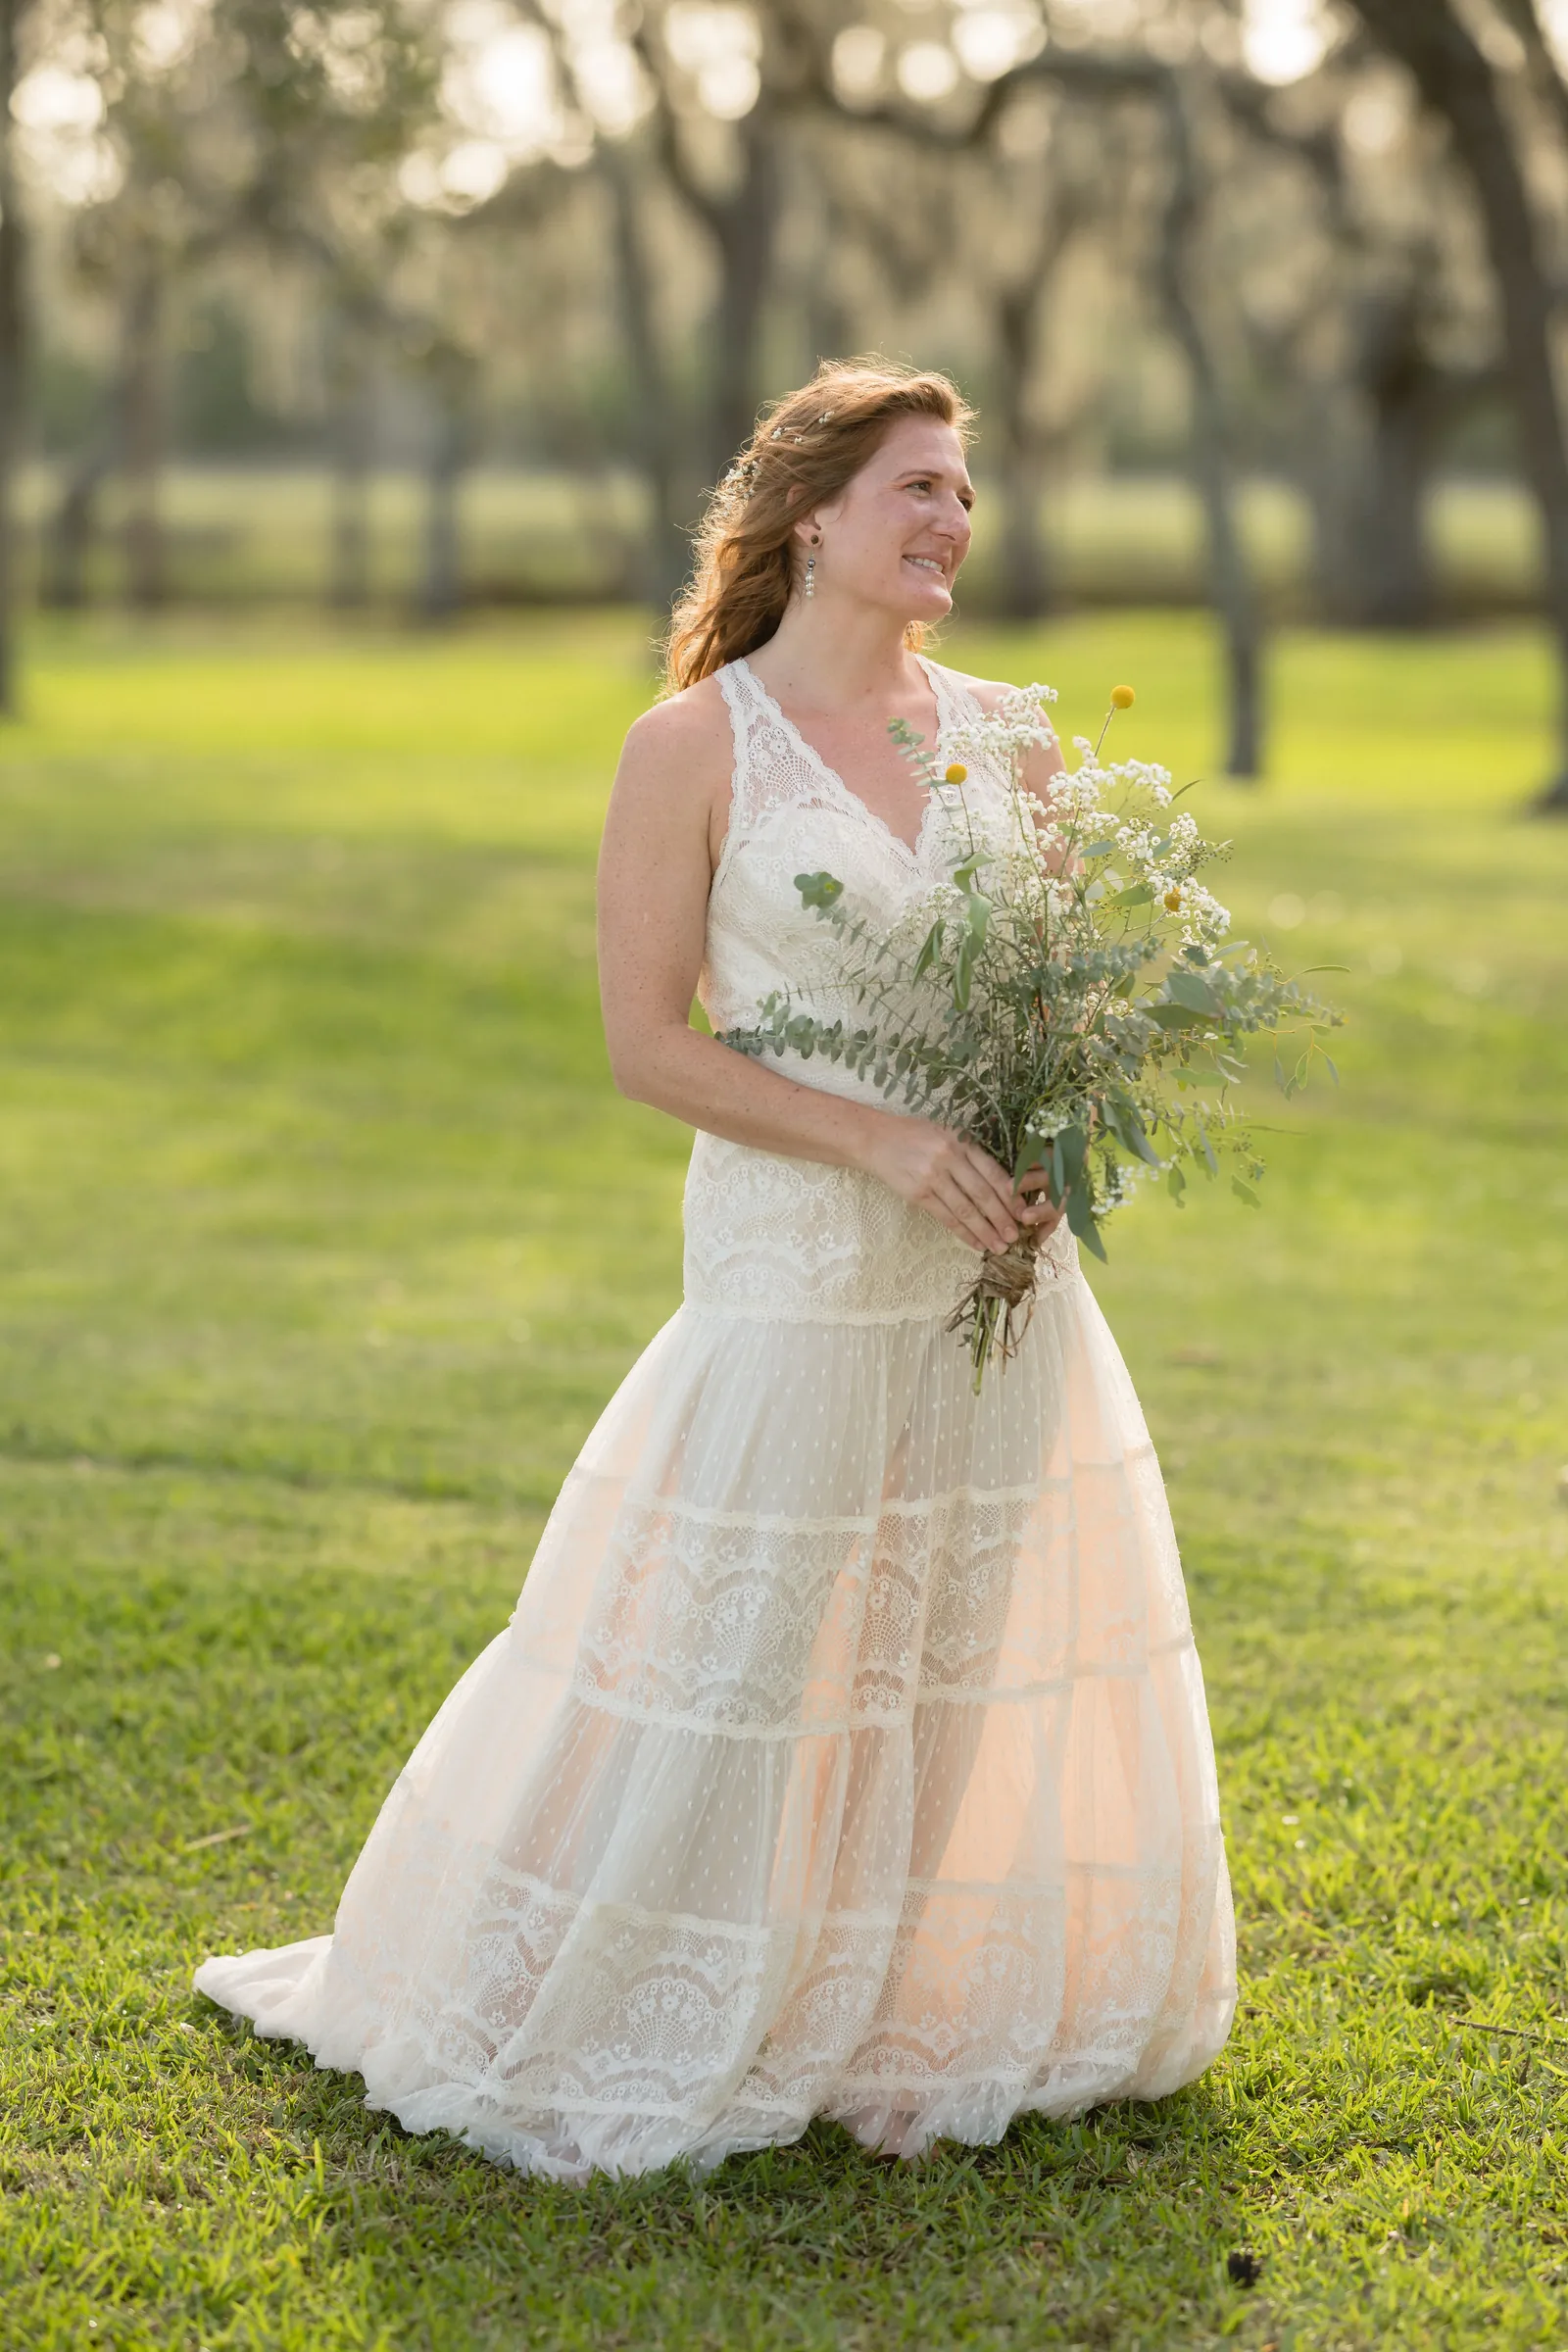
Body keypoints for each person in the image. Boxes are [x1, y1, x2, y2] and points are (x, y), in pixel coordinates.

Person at [194, 358, 1235, 2182]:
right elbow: (644, 1044)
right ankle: (647, 1989)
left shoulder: (1019, 737)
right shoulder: (690, 748)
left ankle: (895, 2003)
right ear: (808, 519)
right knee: (740, 1652)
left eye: (965, 494)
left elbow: (1058, 1010)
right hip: (793, 1270)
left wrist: (1046, 1146)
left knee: (950, 1644)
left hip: (992, 1286)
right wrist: (883, 1144)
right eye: (915, 488)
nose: (951, 524)